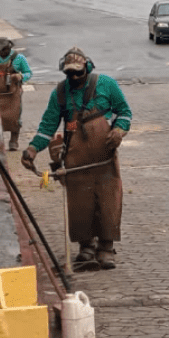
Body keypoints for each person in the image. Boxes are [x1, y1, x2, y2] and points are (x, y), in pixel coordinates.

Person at [21, 47, 132, 270]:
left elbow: (125, 112)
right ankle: (86, 246)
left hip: (104, 156)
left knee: (108, 201)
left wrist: (119, 131)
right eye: (69, 74)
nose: (73, 78)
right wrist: (33, 149)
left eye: (77, 73)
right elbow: (48, 125)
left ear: (87, 68)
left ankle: (106, 247)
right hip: (75, 156)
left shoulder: (107, 84)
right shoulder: (60, 93)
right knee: (81, 203)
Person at [0, 37, 33, 151]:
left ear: (9, 48)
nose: (2, 53)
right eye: (0, 51)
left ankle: (14, 140)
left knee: (14, 117)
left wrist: (21, 76)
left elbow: (28, 72)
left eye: (4, 50)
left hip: (14, 94)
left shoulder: (19, 58)